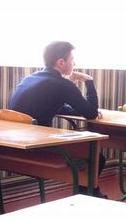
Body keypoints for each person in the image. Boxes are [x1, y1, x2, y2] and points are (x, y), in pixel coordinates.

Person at [8, 40, 106, 197]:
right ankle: (88, 195)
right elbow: (92, 114)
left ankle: (90, 194)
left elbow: (54, 106)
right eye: (72, 60)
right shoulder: (62, 85)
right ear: (61, 62)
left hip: (11, 146)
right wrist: (89, 82)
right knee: (95, 155)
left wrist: (75, 103)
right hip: (37, 147)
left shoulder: (30, 78)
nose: (74, 64)